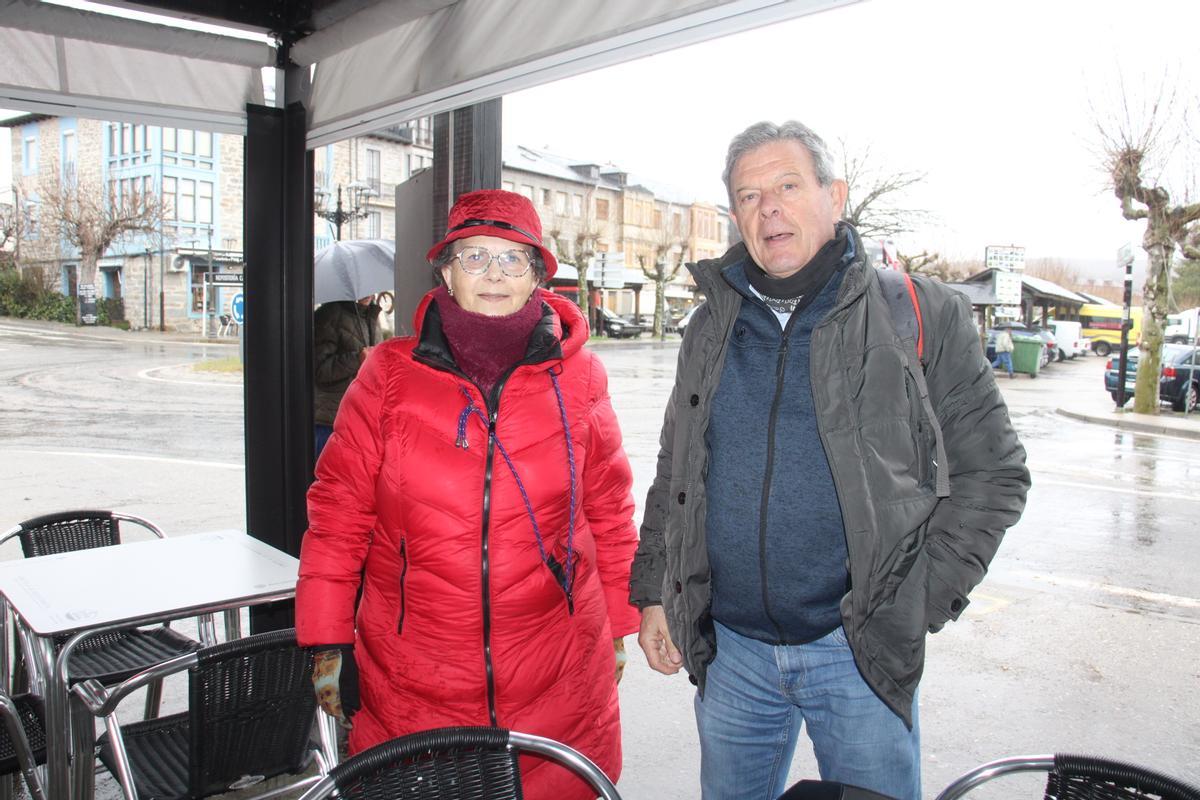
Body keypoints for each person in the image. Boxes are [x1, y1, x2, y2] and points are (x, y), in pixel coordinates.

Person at [628, 121, 1030, 800]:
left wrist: (913, 601)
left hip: (858, 654)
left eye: (788, 185)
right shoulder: (710, 325)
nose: (769, 208)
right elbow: (679, 470)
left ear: (833, 195)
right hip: (734, 655)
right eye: (749, 196)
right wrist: (653, 591)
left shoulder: (919, 312)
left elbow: (993, 475)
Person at [297, 189, 641, 800]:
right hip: (413, 673)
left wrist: (619, 623)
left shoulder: (582, 376)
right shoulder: (386, 375)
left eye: (513, 259)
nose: (493, 274)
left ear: (538, 275)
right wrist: (327, 638)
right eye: (475, 256)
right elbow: (338, 515)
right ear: (447, 272)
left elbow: (609, 509)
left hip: (558, 667)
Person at [313, 294, 382, 457]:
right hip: (331, 420)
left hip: (360, 417)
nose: (368, 293)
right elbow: (319, 369)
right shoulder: (330, 315)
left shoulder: (371, 315)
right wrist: (357, 358)